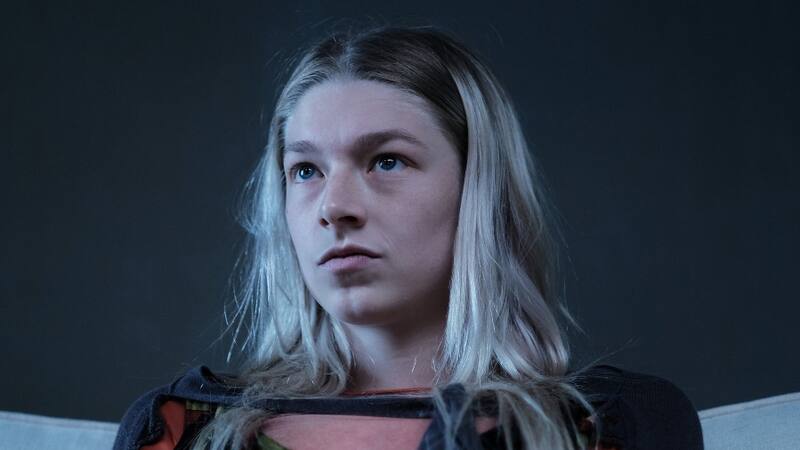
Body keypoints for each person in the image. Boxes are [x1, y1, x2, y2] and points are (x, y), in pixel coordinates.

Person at [113, 25, 704, 450]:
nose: (334, 208)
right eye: (306, 170)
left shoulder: (612, 425)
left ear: (478, 189)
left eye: (386, 161)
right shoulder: (179, 429)